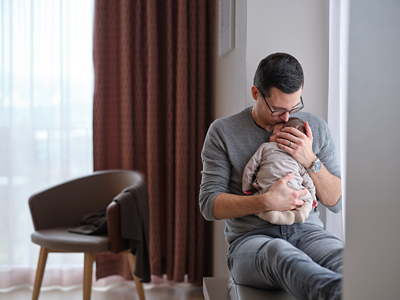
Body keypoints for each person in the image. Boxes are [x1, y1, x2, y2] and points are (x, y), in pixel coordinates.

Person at [199, 53, 343, 300]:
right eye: (277, 109)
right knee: (280, 253)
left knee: (345, 261)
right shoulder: (223, 132)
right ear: (256, 93)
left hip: (308, 233)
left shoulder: (315, 128)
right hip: (251, 242)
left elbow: (336, 202)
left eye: (295, 107)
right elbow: (209, 205)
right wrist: (265, 201)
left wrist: (310, 160)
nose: (287, 118)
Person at [242, 118, 318, 225]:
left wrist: (247, 186)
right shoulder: (297, 157)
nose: (270, 137)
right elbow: (306, 178)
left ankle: (272, 215)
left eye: (274, 134)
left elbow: (250, 168)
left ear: (286, 137)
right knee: (308, 200)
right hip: (295, 190)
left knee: (256, 201)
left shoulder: (265, 147)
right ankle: (301, 214)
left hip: (267, 190)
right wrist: (313, 197)